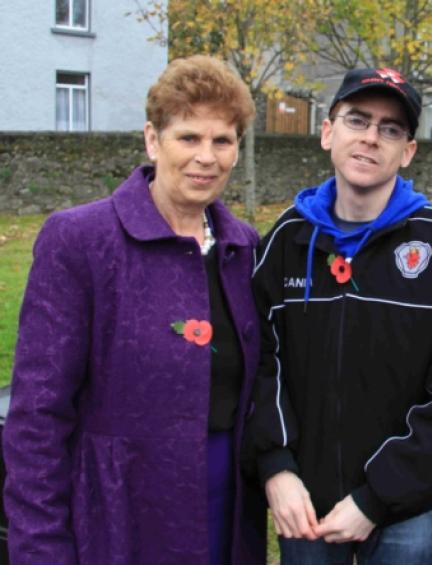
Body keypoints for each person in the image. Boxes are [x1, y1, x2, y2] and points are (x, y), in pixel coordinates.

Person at [3, 55, 266, 564]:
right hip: (117, 520)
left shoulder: (244, 249)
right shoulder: (80, 241)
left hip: (228, 515)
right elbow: (37, 417)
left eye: (223, 140)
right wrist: (40, 548)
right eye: (188, 137)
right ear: (152, 140)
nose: (206, 157)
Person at [242, 67, 432, 564]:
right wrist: (276, 466)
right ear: (327, 131)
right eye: (357, 120)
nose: (370, 138)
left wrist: (377, 495)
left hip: (407, 505)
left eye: (391, 129)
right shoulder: (283, 244)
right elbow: (260, 361)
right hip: (306, 500)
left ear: (408, 151)